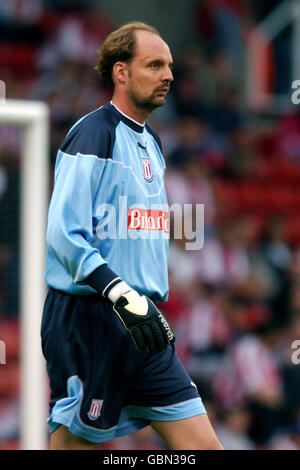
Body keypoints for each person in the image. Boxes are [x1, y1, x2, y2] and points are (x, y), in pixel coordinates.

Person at [41, 21, 223, 450]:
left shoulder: (153, 142)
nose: (169, 75)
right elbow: (63, 234)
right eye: (155, 65)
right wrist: (120, 292)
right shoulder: (94, 133)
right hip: (91, 320)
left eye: (170, 66)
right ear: (121, 72)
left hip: (145, 325)